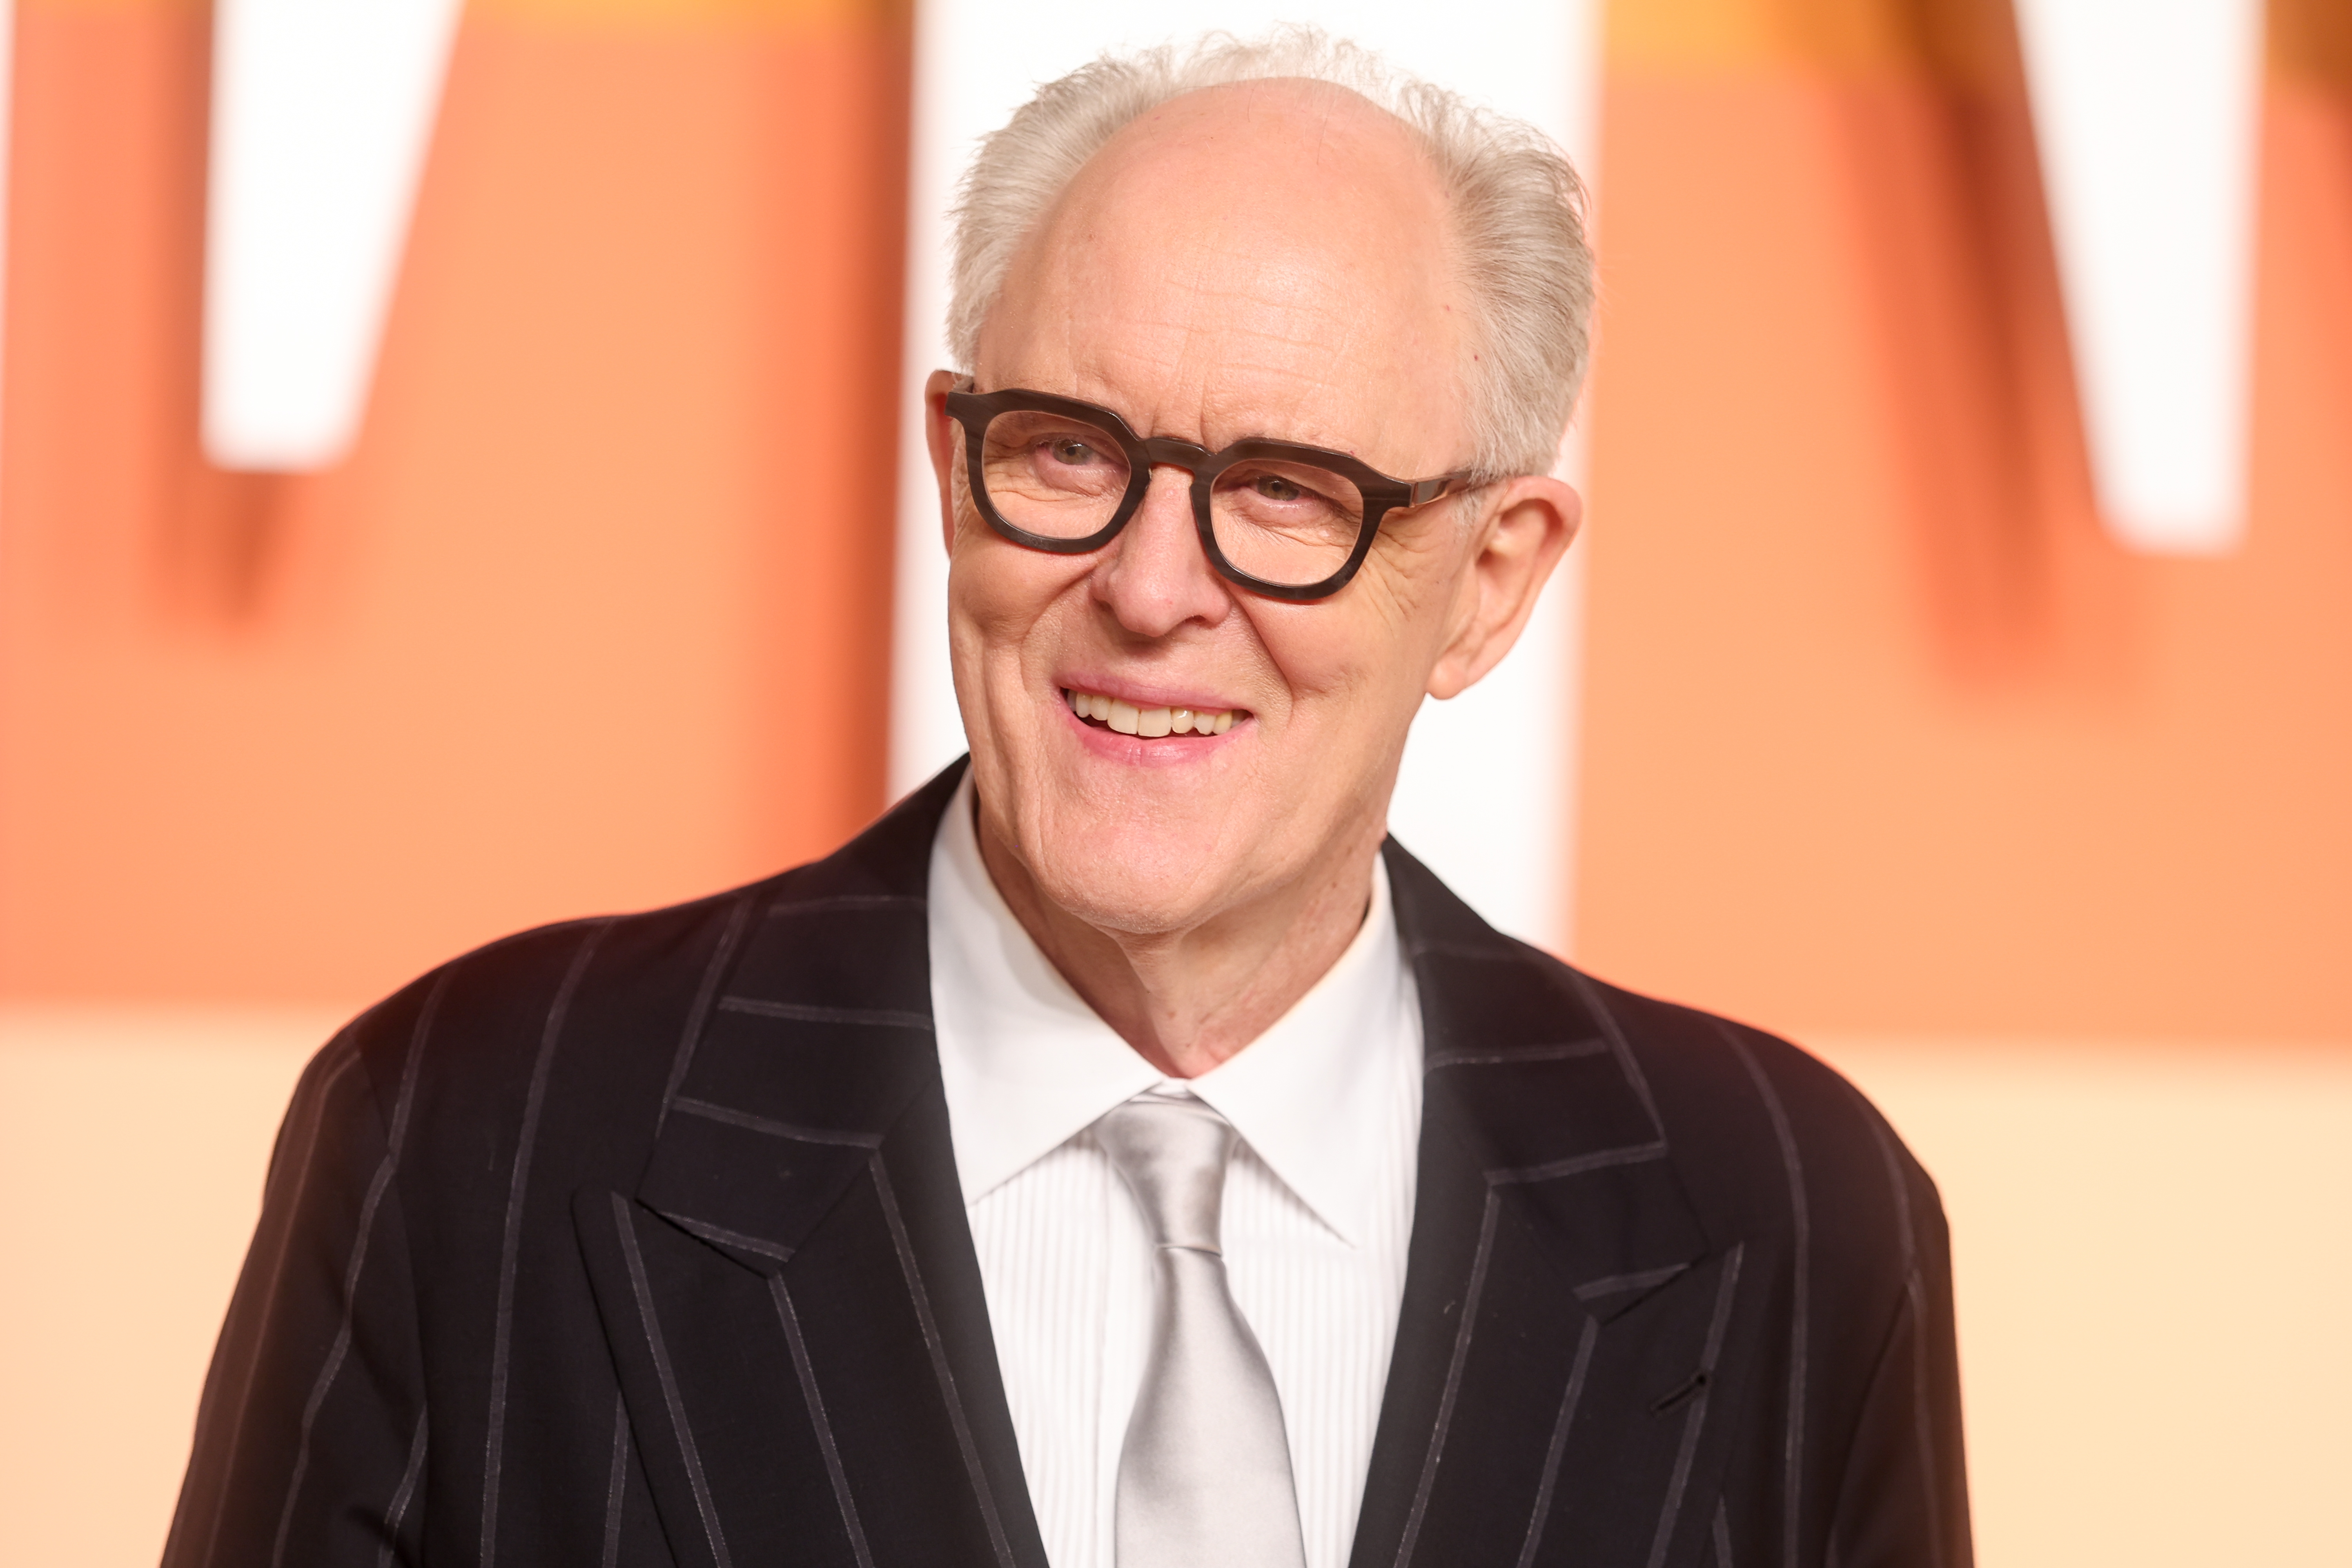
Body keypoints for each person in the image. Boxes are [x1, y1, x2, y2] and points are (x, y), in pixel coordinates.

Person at [164, 29, 1968, 1568]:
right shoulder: (468, 1137)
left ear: (1492, 578)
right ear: (955, 472)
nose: (1152, 585)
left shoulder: (1797, 1223)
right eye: (1071, 451)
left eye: (1285, 488)